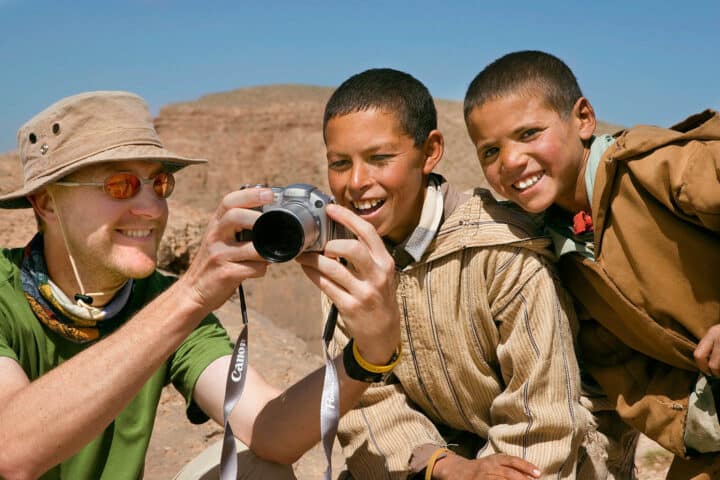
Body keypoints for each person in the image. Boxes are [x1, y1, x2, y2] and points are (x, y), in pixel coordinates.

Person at [0, 90, 402, 480]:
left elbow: (269, 434)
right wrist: (190, 294)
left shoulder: (156, 301)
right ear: (47, 203)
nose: (153, 208)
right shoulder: (7, 294)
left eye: (158, 185)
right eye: (119, 185)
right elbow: (10, 454)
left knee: (256, 468)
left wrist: (365, 358)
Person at [320, 68, 596, 480]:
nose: (357, 182)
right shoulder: (343, 266)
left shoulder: (500, 251)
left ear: (430, 152)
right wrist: (441, 465)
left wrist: (481, 472)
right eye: (340, 164)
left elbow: (545, 416)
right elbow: (367, 407)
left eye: (379, 159)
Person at [463, 50, 720, 479]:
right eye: (490, 151)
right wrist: (698, 420)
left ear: (583, 118)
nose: (509, 160)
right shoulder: (559, 258)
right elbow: (625, 372)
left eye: (528, 133)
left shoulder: (656, 169)